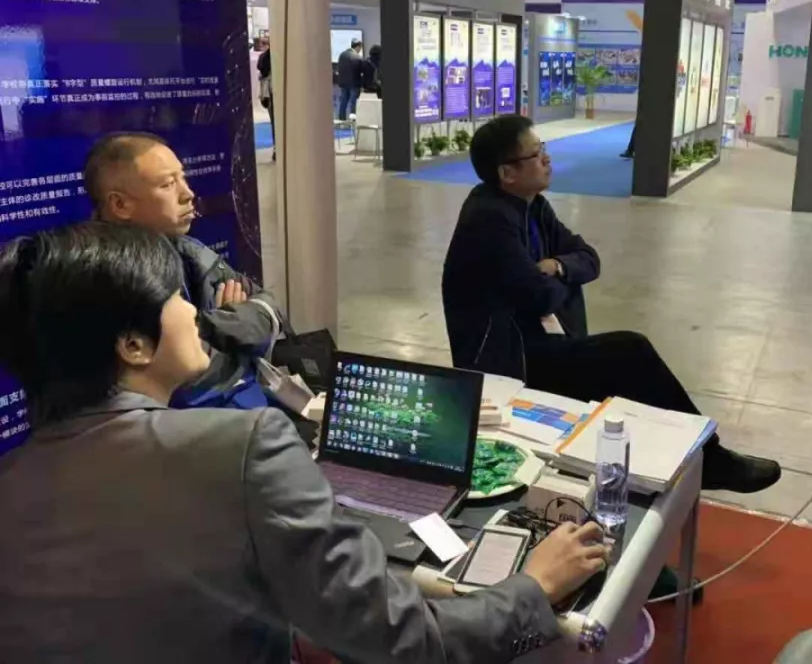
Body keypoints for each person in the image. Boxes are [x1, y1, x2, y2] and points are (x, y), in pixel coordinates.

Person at [0, 222, 608, 664]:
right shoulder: (242, 445)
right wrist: (532, 589)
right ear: (133, 345)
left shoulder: (14, 479)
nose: (194, 313)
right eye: (177, 298)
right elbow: (405, 641)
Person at [442, 114, 781, 493]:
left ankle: (697, 459)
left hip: (539, 339)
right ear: (507, 173)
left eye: (543, 149)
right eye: (536, 154)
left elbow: (588, 258)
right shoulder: (488, 219)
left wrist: (555, 267)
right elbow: (540, 295)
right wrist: (560, 280)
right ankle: (708, 461)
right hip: (509, 360)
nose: (547, 159)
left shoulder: (533, 207)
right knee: (628, 352)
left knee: (625, 369)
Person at [83, 132, 284, 410]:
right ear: (120, 205)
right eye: (167, 184)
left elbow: (269, 309)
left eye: (182, 178)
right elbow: (174, 380)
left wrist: (215, 328)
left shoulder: (188, 250)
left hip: (241, 407)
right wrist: (234, 336)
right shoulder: (104, 280)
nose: (187, 193)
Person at [336, 38, 364, 120]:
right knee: (353, 103)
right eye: (360, 48)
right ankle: (353, 121)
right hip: (354, 84)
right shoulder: (357, 57)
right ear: (358, 47)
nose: (360, 50)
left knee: (343, 101)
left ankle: (341, 119)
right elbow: (361, 71)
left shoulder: (342, 55)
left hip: (343, 83)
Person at [256, 39, 275, 161]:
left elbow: (261, 71)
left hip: (269, 93)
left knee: (274, 122)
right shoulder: (271, 57)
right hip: (273, 92)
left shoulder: (263, 57)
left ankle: (276, 148)